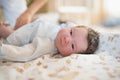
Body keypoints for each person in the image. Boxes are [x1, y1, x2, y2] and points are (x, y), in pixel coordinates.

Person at [0, 19, 99, 62]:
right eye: (71, 33)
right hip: (26, 28)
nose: (67, 39)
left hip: (14, 39)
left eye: (72, 46)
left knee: (7, 32)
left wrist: (3, 50)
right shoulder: (63, 29)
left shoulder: (48, 45)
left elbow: (25, 53)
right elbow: (70, 25)